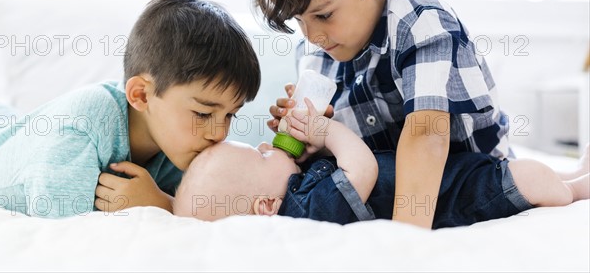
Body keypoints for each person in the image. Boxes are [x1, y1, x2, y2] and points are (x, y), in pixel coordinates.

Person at [253, 0, 524, 228]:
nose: (313, 36)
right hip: (393, 187)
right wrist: (312, 140)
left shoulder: (420, 22)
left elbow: (427, 135)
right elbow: (356, 156)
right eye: (299, 21)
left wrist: (403, 242)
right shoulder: (316, 53)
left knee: (535, 182)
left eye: (323, 15)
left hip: (477, 180)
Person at [0, 0, 261, 218]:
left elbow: (212, 211)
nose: (220, 133)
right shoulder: (80, 133)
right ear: (141, 95)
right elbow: (63, 231)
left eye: (230, 115)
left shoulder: (178, 146)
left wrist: (163, 204)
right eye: (203, 113)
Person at [173, 98, 590, 227]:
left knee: (538, 172)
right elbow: (363, 169)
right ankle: (576, 190)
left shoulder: (300, 194)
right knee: (530, 178)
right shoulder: (304, 209)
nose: (269, 146)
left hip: (442, 178)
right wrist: (327, 134)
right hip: (454, 197)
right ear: (265, 206)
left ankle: (575, 174)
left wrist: (312, 148)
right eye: (261, 154)